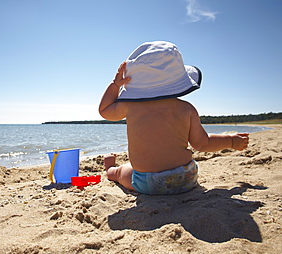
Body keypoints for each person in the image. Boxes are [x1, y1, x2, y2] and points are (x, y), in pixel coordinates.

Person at [98, 41, 249, 195]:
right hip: (186, 177)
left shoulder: (130, 107)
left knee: (123, 172)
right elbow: (203, 143)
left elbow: (104, 110)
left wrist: (115, 85)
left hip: (148, 183)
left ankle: (111, 169)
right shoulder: (186, 109)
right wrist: (230, 140)